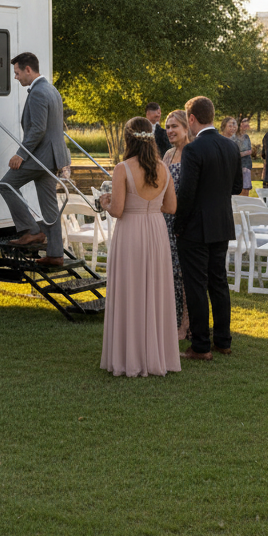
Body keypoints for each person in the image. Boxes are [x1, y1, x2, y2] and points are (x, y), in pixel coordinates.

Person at [98, 117, 181, 377]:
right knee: (155, 292)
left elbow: (118, 210)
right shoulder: (163, 168)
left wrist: (105, 203)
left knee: (130, 290)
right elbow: (171, 207)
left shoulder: (122, 168)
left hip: (131, 234)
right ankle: (156, 355)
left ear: (128, 138)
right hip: (156, 232)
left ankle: (129, 358)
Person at [174, 96, 243, 360]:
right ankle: (223, 340)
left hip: (195, 228)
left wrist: (178, 226)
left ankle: (201, 345)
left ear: (191, 119)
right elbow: (237, 187)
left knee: (196, 284)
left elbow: (188, 193)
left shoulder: (193, 149)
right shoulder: (230, 146)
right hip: (222, 222)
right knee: (218, 282)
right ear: (212, 115)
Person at [0, 52, 67, 266]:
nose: (16, 77)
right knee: (49, 207)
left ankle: (31, 230)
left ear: (28, 69)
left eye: (17, 73)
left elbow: (37, 129)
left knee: (6, 185)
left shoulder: (38, 92)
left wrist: (21, 154)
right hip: (53, 157)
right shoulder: (52, 89)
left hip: (40, 157)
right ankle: (55, 254)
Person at [162, 110, 192, 339]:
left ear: (185, 127)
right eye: (167, 127)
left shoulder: (193, 153)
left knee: (184, 274)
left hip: (187, 221)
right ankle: (171, 319)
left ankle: (186, 325)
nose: (170, 131)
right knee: (170, 272)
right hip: (166, 221)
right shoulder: (168, 154)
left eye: (174, 126)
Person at [225, 116, 253, 195]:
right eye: (244, 121)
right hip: (237, 168)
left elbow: (250, 150)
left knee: (246, 191)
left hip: (247, 167)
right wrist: (245, 153)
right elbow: (232, 153)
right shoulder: (233, 138)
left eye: (247, 121)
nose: (246, 124)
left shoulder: (246, 137)